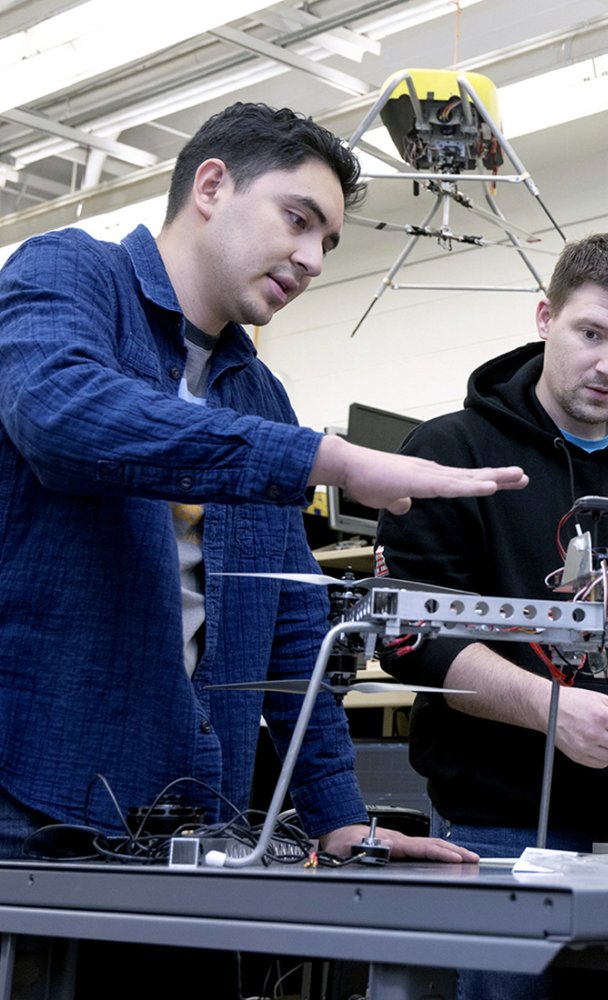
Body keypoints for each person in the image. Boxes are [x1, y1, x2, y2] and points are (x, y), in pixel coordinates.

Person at [0, 102, 529, 869]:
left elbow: (291, 627)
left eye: (328, 241)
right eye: (297, 219)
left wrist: (336, 815)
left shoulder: (258, 396)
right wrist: (331, 461)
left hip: (194, 812)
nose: (314, 258)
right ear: (212, 185)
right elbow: (63, 418)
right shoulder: (69, 275)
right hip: (30, 797)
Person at [376, 232, 608, 998]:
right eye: (591, 333)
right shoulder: (447, 454)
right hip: (502, 826)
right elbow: (414, 641)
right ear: (545, 316)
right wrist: (549, 711)